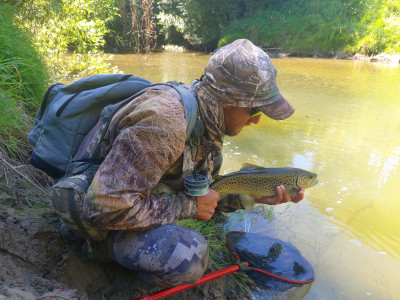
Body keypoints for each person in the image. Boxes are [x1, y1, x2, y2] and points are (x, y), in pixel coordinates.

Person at [50, 38, 304, 289]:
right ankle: (97, 257)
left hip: (132, 198)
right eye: (255, 110)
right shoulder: (165, 124)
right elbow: (105, 208)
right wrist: (190, 206)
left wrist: (250, 197)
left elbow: (202, 197)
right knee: (188, 258)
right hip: (95, 214)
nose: (257, 120)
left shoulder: (207, 121)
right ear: (229, 101)